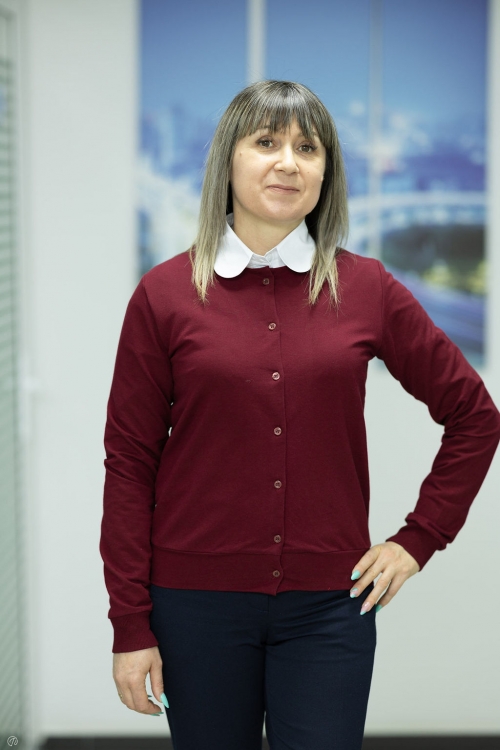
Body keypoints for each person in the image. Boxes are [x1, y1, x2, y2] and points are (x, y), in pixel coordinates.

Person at [99, 80, 500, 750]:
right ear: (228, 159)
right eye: (266, 142)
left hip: (329, 610)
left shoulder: (368, 288)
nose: (288, 162)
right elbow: (129, 464)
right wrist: (130, 624)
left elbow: (475, 416)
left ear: (325, 173)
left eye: (308, 148)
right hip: (194, 606)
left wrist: (419, 538)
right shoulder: (164, 294)